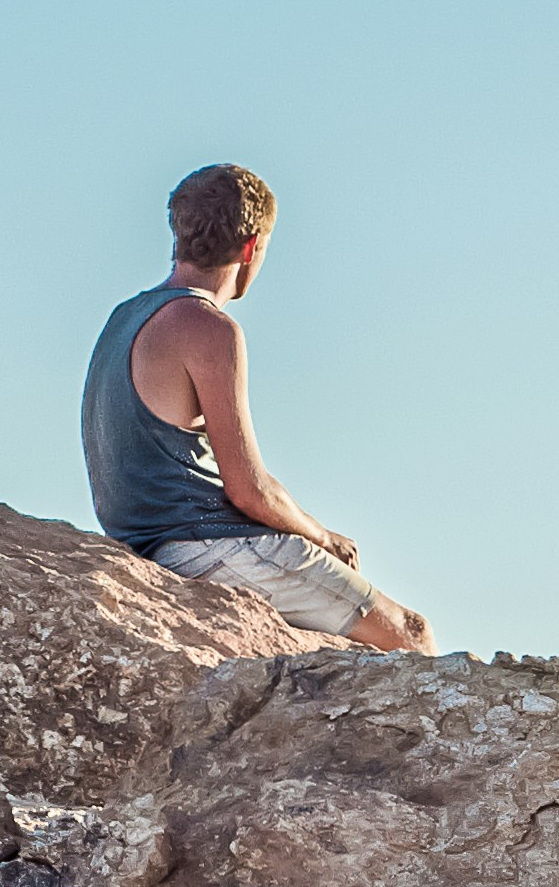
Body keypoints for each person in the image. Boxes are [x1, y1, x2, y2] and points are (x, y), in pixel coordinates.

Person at [87, 165, 431, 650]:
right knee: (412, 635)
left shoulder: (124, 318)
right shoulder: (208, 327)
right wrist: (325, 538)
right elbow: (249, 490)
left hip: (142, 543)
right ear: (251, 247)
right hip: (206, 544)